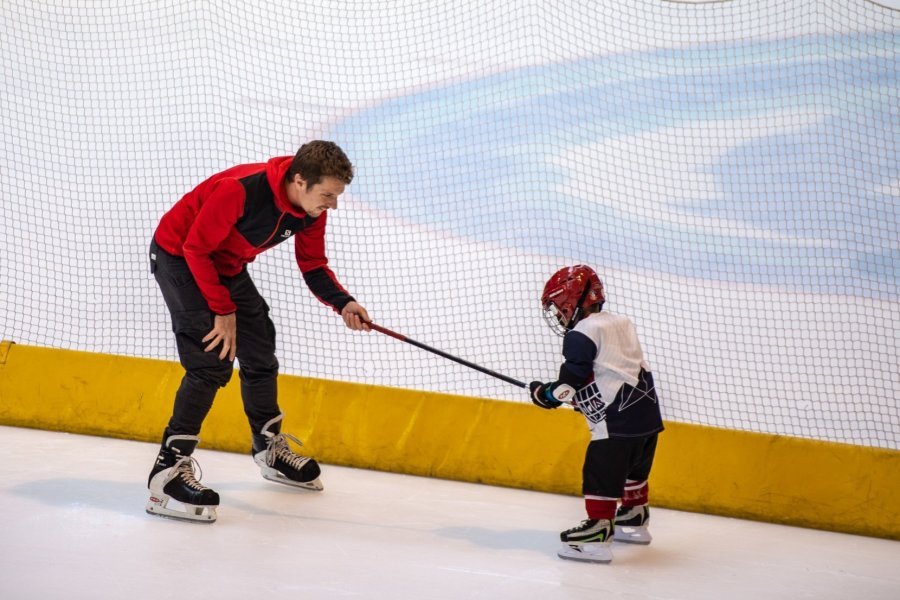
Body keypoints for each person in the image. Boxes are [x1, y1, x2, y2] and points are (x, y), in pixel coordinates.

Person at [145, 140, 371, 523]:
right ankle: (166, 471)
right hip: (180, 258)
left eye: (336, 196)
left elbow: (313, 264)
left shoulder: (311, 209)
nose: (333, 204)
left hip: (225, 265)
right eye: (328, 194)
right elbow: (196, 248)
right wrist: (222, 309)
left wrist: (343, 302)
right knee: (211, 361)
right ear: (300, 180)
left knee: (260, 350)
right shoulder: (240, 190)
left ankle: (268, 449)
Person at [529, 265, 663, 563]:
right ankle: (634, 517)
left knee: (600, 472)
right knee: (634, 470)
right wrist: (585, 397)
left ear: (571, 301)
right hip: (648, 417)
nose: (559, 315)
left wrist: (544, 394)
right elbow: (612, 369)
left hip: (615, 424)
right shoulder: (621, 322)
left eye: (558, 308)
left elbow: (567, 386)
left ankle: (598, 532)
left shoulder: (581, 333)